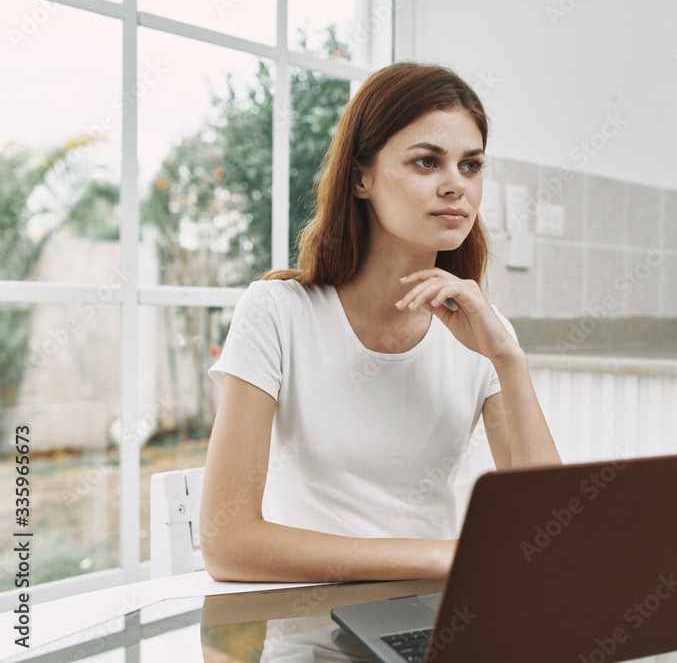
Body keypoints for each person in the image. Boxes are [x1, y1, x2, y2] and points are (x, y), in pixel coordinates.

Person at [199, 62, 562, 583]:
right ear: (360, 176)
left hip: (434, 615)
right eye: (426, 162)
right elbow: (227, 544)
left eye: (471, 165)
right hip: (304, 621)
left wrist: (509, 360)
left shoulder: (483, 332)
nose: (455, 185)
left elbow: (550, 526)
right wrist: (443, 557)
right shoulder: (277, 312)